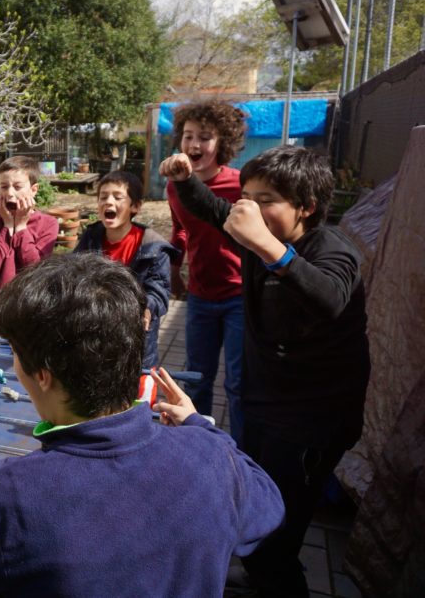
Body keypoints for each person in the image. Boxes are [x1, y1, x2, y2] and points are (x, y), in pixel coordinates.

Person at [0, 253, 284, 597]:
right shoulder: (211, 458)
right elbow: (269, 506)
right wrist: (200, 428)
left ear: (43, 374)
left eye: (15, 352)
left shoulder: (8, 495)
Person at [160, 145, 371, 597]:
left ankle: (278, 583)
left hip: (309, 423)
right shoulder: (259, 235)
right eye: (246, 196)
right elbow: (210, 207)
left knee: (280, 524)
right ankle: (260, 575)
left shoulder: (333, 250)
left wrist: (268, 247)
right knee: (253, 500)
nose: (248, 209)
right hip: (262, 407)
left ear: (306, 207)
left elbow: (329, 298)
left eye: (266, 199)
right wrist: (184, 179)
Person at [166, 100, 246, 442]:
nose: (194, 145)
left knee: (238, 382)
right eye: (188, 136)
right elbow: (180, 229)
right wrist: (173, 266)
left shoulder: (240, 184)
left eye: (205, 136)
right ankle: (194, 444)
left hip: (239, 296)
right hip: (199, 295)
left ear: (222, 143)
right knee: (196, 377)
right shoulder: (174, 186)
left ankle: (243, 451)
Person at [74, 170, 178, 368]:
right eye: (103, 197)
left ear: (135, 206)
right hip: (96, 340)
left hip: (136, 344)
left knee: (137, 395)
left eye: (118, 197)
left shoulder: (153, 247)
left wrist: (147, 309)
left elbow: (159, 289)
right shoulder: (91, 238)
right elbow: (73, 273)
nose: (108, 202)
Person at [0, 155, 58, 299]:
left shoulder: (48, 223)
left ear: (34, 190)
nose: (9, 193)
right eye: (4, 186)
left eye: (17, 187)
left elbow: (36, 269)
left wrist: (21, 226)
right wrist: (7, 224)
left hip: (29, 301)